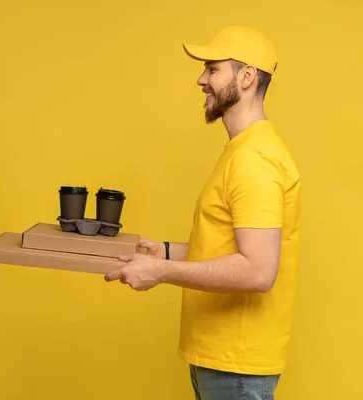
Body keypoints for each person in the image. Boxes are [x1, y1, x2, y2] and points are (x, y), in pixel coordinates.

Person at [105, 26, 301, 400]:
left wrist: (161, 272)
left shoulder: (255, 160)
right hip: (222, 361)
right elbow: (230, 250)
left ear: (246, 77)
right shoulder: (243, 151)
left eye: (212, 69)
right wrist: (163, 252)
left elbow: (258, 270)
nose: (201, 79)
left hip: (236, 366)